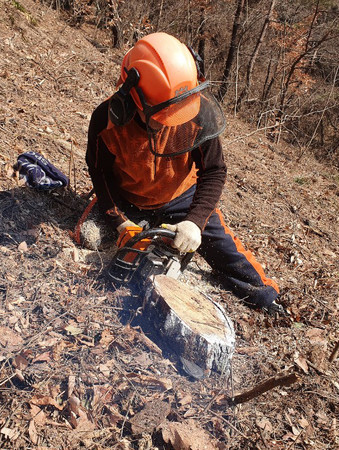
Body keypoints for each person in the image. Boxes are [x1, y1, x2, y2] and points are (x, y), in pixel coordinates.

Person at [85, 32, 284, 314]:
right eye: (164, 114)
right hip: (127, 197)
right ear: (132, 100)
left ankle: (268, 299)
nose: (171, 121)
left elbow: (214, 171)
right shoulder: (106, 120)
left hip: (181, 197)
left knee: (233, 260)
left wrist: (195, 220)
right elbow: (99, 173)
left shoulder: (196, 111)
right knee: (89, 236)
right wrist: (119, 221)